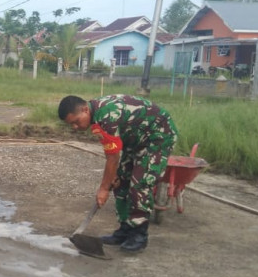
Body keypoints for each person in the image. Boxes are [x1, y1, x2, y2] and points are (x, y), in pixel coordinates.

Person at [58, 94, 177, 253]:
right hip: (135, 140)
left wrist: (103, 189)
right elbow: (112, 154)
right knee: (120, 182)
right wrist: (111, 178)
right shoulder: (96, 118)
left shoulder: (107, 116)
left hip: (157, 137)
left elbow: (113, 158)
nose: (75, 127)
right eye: (71, 125)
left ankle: (139, 234)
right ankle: (125, 229)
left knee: (139, 184)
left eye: (76, 122)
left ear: (85, 109)